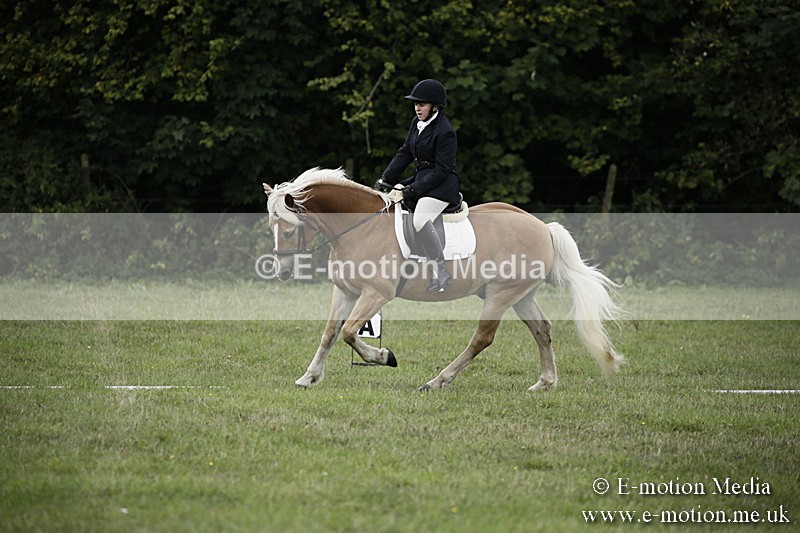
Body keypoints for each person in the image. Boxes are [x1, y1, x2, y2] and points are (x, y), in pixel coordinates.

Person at [374, 79, 461, 292]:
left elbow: (442, 171)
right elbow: (405, 152)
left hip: (441, 186)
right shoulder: (417, 123)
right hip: (421, 180)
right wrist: (386, 179)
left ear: (434, 106)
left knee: (420, 218)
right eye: (415, 104)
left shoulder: (445, 131)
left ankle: (440, 271)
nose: (417, 108)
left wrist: (414, 189)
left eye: (422, 104)